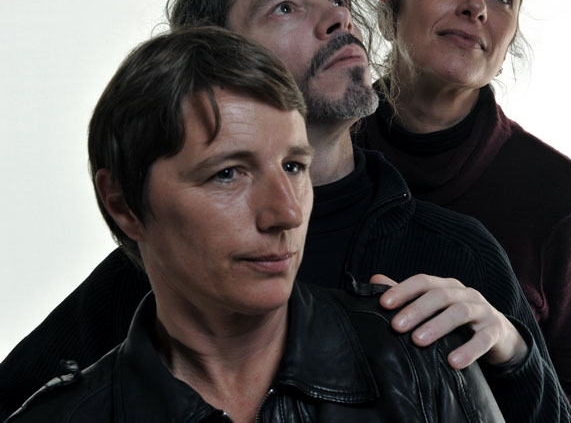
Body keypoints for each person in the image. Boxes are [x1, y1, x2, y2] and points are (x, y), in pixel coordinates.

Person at [0, 0, 571, 422]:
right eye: (285, 6)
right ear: (218, 52)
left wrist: (514, 353)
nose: (339, 19)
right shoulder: (153, 267)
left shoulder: (461, 252)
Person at [5, 27, 506, 422]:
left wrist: (515, 353)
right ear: (122, 203)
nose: (287, 213)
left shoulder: (417, 361)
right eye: (228, 174)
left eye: (294, 166)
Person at [353, 0, 571, 419]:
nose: (476, 7)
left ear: (508, 42)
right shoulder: (308, 155)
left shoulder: (559, 198)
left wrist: (512, 350)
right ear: (388, 11)